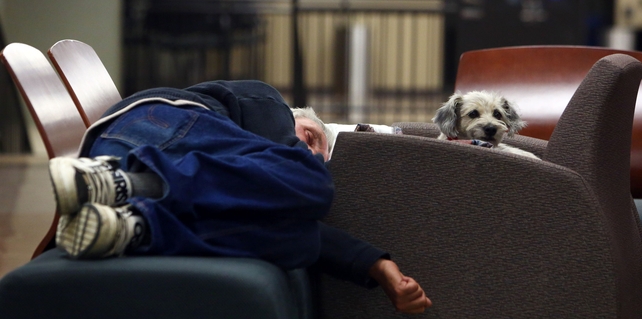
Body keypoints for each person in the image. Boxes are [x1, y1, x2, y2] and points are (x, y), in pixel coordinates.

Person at [49, 80, 432, 313]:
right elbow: (299, 175)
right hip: (150, 127)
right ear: (300, 125)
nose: (307, 156)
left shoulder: (241, 176)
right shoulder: (265, 102)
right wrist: (306, 163)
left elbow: (307, 232)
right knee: (314, 186)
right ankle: (136, 187)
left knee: (297, 240)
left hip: (111, 166)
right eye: (309, 143)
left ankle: (134, 225)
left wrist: (376, 265)